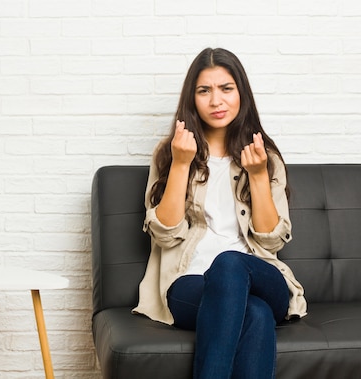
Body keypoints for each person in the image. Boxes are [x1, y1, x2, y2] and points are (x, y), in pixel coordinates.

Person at [132, 47, 308, 379]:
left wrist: (257, 175)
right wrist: (182, 163)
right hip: (188, 283)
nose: (216, 101)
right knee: (254, 314)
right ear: (192, 98)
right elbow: (164, 232)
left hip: (260, 277)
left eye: (226, 88)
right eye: (204, 90)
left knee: (229, 263)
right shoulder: (169, 153)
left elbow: (270, 242)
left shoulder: (264, 156)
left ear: (241, 93)